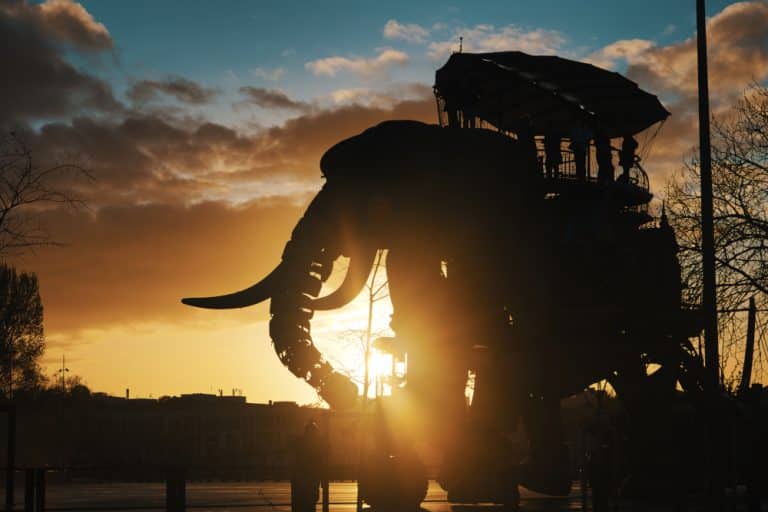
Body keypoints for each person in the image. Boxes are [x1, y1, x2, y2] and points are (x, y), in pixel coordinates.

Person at [291, 421, 326, 512]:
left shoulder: (299, 442)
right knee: (311, 501)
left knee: (301, 501)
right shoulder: (318, 444)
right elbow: (322, 461)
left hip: (300, 478)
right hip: (311, 477)